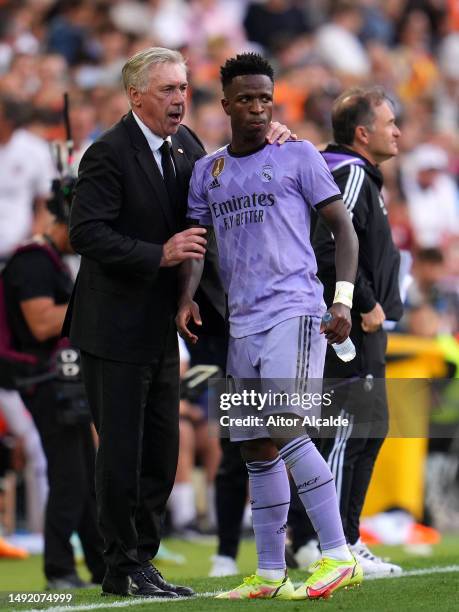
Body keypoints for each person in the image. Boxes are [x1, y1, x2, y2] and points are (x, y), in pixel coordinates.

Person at [65, 47, 291, 599]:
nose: (179, 99)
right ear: (135, 95)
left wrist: (269, 145)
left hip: (162, 328)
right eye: (168, 89)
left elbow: (222, 182)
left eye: (184, 88)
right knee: (121, 451)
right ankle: (121, 566)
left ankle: (141, 560)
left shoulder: (187, 144)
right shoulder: (107, 154)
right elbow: (85, 234)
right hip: (112, 329)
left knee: (163, 453)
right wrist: (158, 253)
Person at [177, 52, 361, 601]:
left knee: (283, 427)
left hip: (295, 311)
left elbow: (342, 229)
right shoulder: (208, 172)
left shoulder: (298, 155)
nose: (258, 108)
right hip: (242, 323)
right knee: (255, 445)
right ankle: (269, 572)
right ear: (227, 104)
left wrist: (343, 300)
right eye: (248, 99)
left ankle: (337, 552)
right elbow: (195, 244)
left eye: (266, 99)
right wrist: (186, 295)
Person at [295, 86, 404, 576]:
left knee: (367, 430)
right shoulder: (352, 173)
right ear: (363, 133)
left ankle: (343, 539)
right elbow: (329, 243)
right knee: (346, 434)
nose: (398, 131)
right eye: (389, 122)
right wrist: (363, 301)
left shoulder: (357, 175)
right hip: (351, 326)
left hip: (362, 327)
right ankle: (332, 544)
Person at [2, 197, 105, 588]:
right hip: (42, 382)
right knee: (69, 477)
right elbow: (43, 323)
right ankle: (59, 569)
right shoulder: (32, 261)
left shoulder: (48, 260)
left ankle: (100, 566)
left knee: (86, 476)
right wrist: (96, 304)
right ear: (66, 224)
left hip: (61, 382)